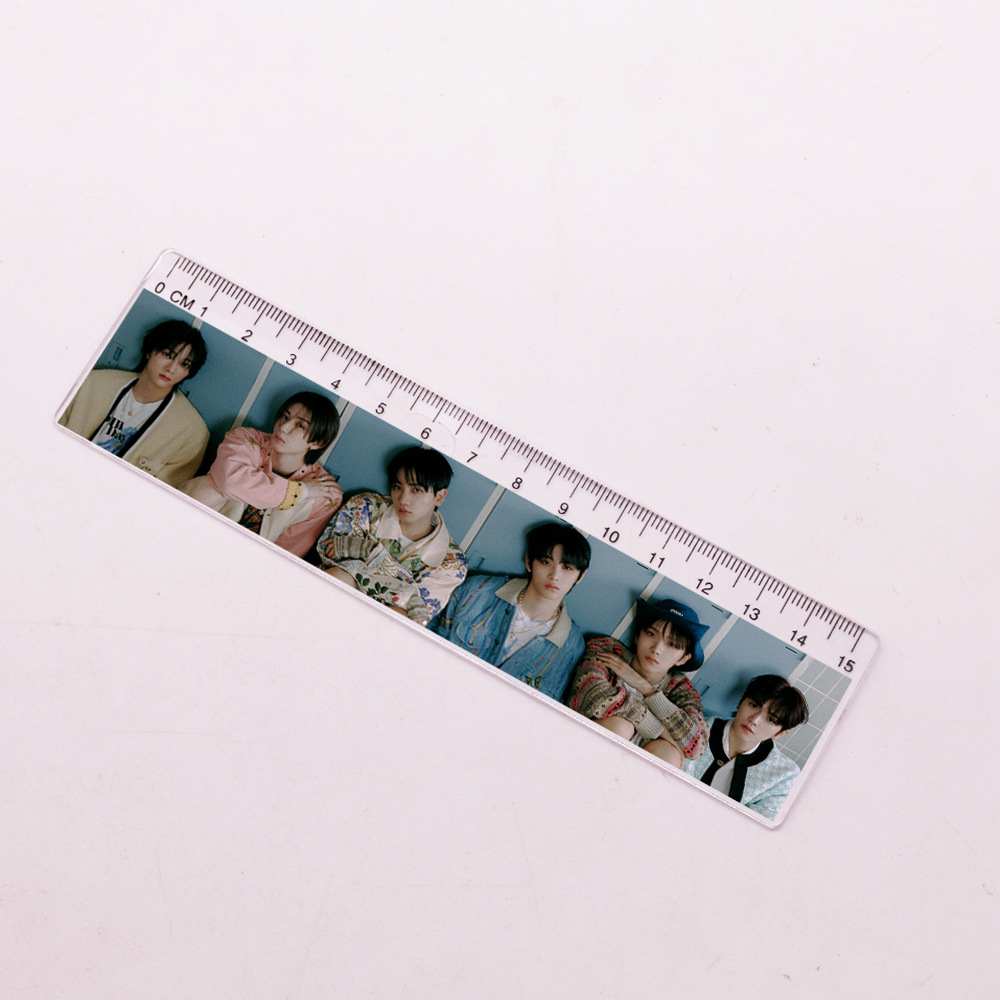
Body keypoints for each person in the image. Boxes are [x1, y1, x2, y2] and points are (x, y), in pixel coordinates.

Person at [430, 523, 590, 700]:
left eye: (567, 567)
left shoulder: (572, 646)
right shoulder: (477, 591)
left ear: (580, 575)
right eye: (546, 562)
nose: (555, 576)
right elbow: (428, 641)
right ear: (529, 562)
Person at [179, 391, 343, 556]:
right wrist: (302, 491)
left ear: (318, 442)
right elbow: (230, 481)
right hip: (199, 528)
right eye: (285, 417)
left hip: (247, 557)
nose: (283, 427)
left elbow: (289, 551)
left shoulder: (325, 493)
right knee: (208, 487)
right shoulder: (246, 439)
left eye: (300, 425)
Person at [316, 446, 466, 625]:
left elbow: (416, 614)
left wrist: (368, 551)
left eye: (416, 490)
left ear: (439, 497)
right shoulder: (367, 507)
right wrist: (400, 584)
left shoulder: (452, 562)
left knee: (399, 616)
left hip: (375, 626)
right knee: (341, 577)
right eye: (397, 487)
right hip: (333, 601)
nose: (403, 499)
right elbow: (329, 554)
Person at [58, 320, 210, 487]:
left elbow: (163, 490)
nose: (171, 368)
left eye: (184, 364)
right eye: (167, 355)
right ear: (149, 352)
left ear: (189, 372)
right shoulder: (93, 383)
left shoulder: (192, 432)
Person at [567, 597, 709, 768]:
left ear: (683, 658)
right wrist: (659, 730)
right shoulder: (607, 650)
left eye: (671, 644)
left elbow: (697, 747)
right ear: (637, 636)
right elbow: (592, 696)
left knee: (669, 754)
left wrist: (645, 688)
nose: (657, 649)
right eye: (651, 634)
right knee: (621, 727)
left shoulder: (681, 690)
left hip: (633, 772)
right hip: (585, 752)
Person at [682, 674, 809, 821]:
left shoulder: (784, 775)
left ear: (781, 733)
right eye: (754, 705)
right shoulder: (695, 728)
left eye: (770, 719)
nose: (754, 720)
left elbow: (753, 826)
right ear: (741, 701)